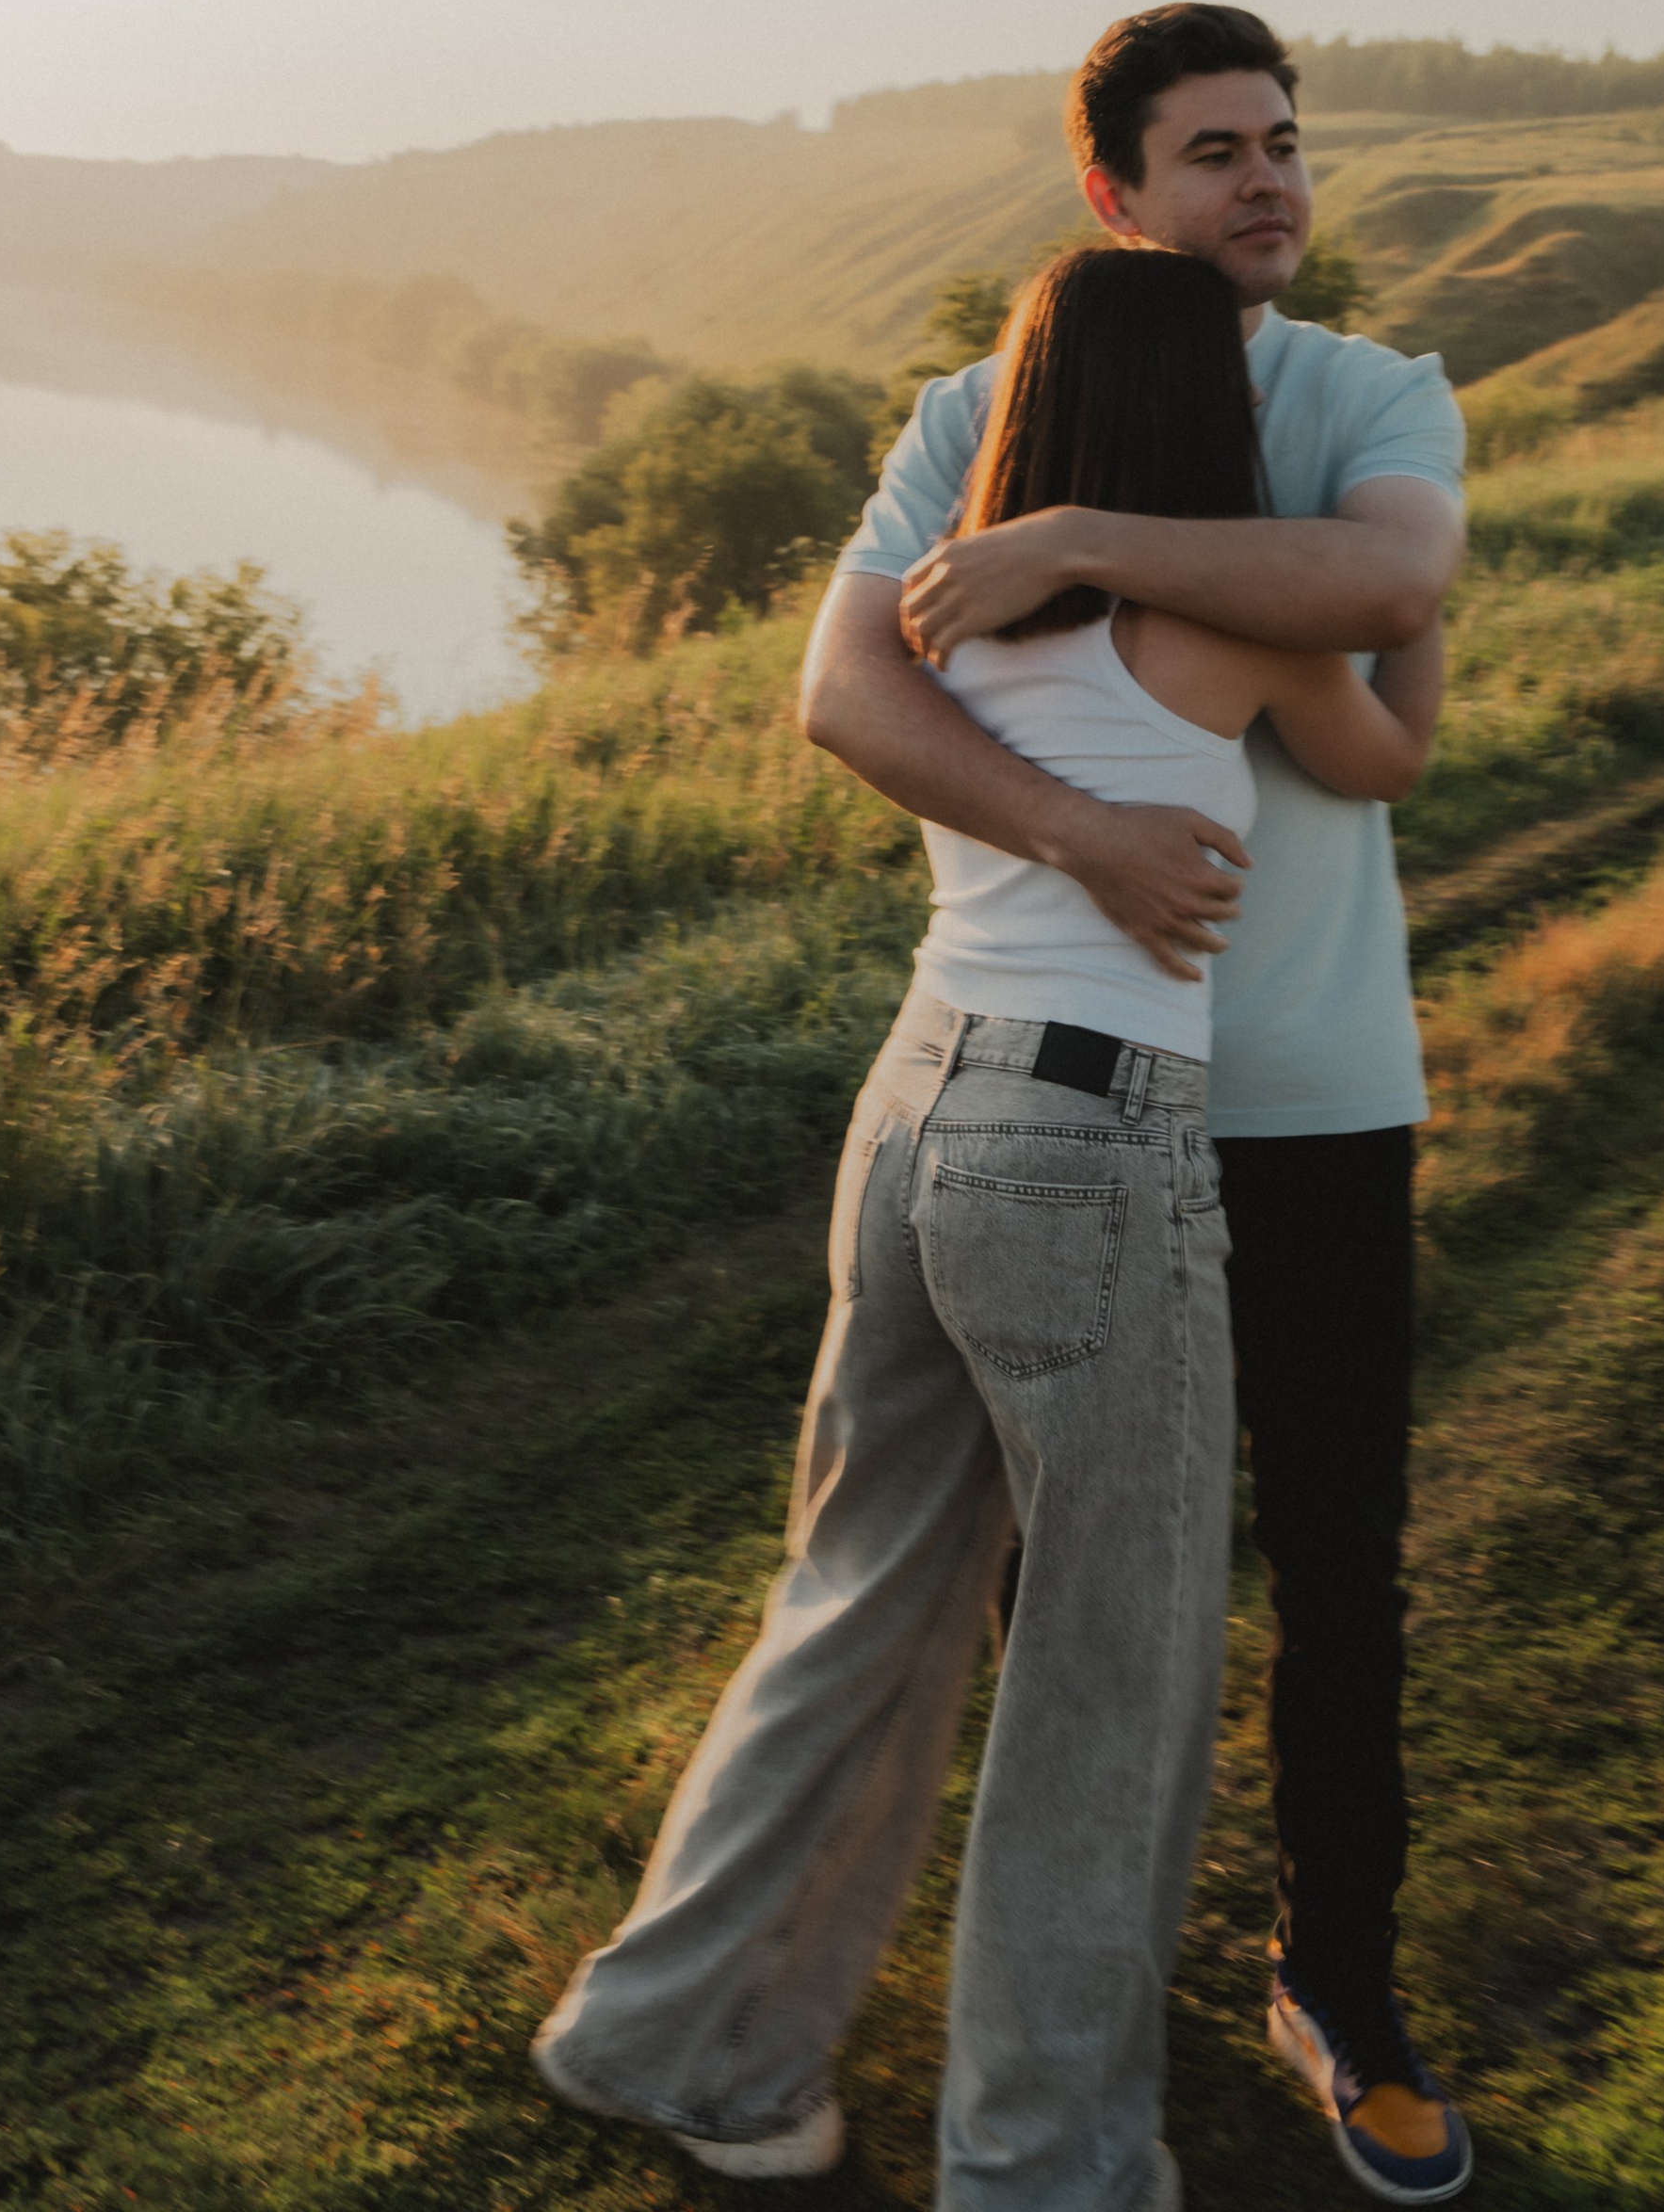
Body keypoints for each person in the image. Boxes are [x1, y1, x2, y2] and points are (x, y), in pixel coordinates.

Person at [536, 245, 1437, 2210]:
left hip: (919, 1094)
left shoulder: (943, 627)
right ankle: (1043, 2161)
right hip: (1095, 1143)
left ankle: (670, 2035)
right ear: (1190, 418)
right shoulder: (1228, 631)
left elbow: (839, 696)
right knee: (1108, 1679)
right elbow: (1385, 727)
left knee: (855, 1593)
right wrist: (1420, 618)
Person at [802, 2, 1472, 2206]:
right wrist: (1082, 834)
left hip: (1309, 1095)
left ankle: (1338, 1987)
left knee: (1339, 1562)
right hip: (1071, 1102)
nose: (1266, 181)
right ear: (1114, 191)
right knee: (1054, 1582)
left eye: (1283, 143)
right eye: (1212, 153)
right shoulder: (960, 410)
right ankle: (1073, 1992)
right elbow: (845, 690)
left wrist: (1078, 529)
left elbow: (1384, 586)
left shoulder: (1365, 391)